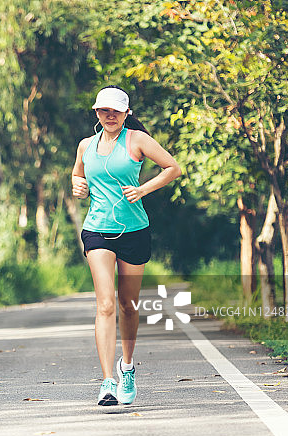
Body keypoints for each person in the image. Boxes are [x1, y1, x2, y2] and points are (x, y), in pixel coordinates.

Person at [71, 86, 181, 406]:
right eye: (104, 110)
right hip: (97, 231)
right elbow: (79, 176)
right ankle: (107, 381)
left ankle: (127, 367)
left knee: (127, 305)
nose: (109, 115)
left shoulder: (137, 141)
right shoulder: (85, 146)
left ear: (126, 113)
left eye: (116, 111)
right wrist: (78, 186)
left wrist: (143, 190)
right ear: (96, 112)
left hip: (134, 231)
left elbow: (172, 168)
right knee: (105, 304)